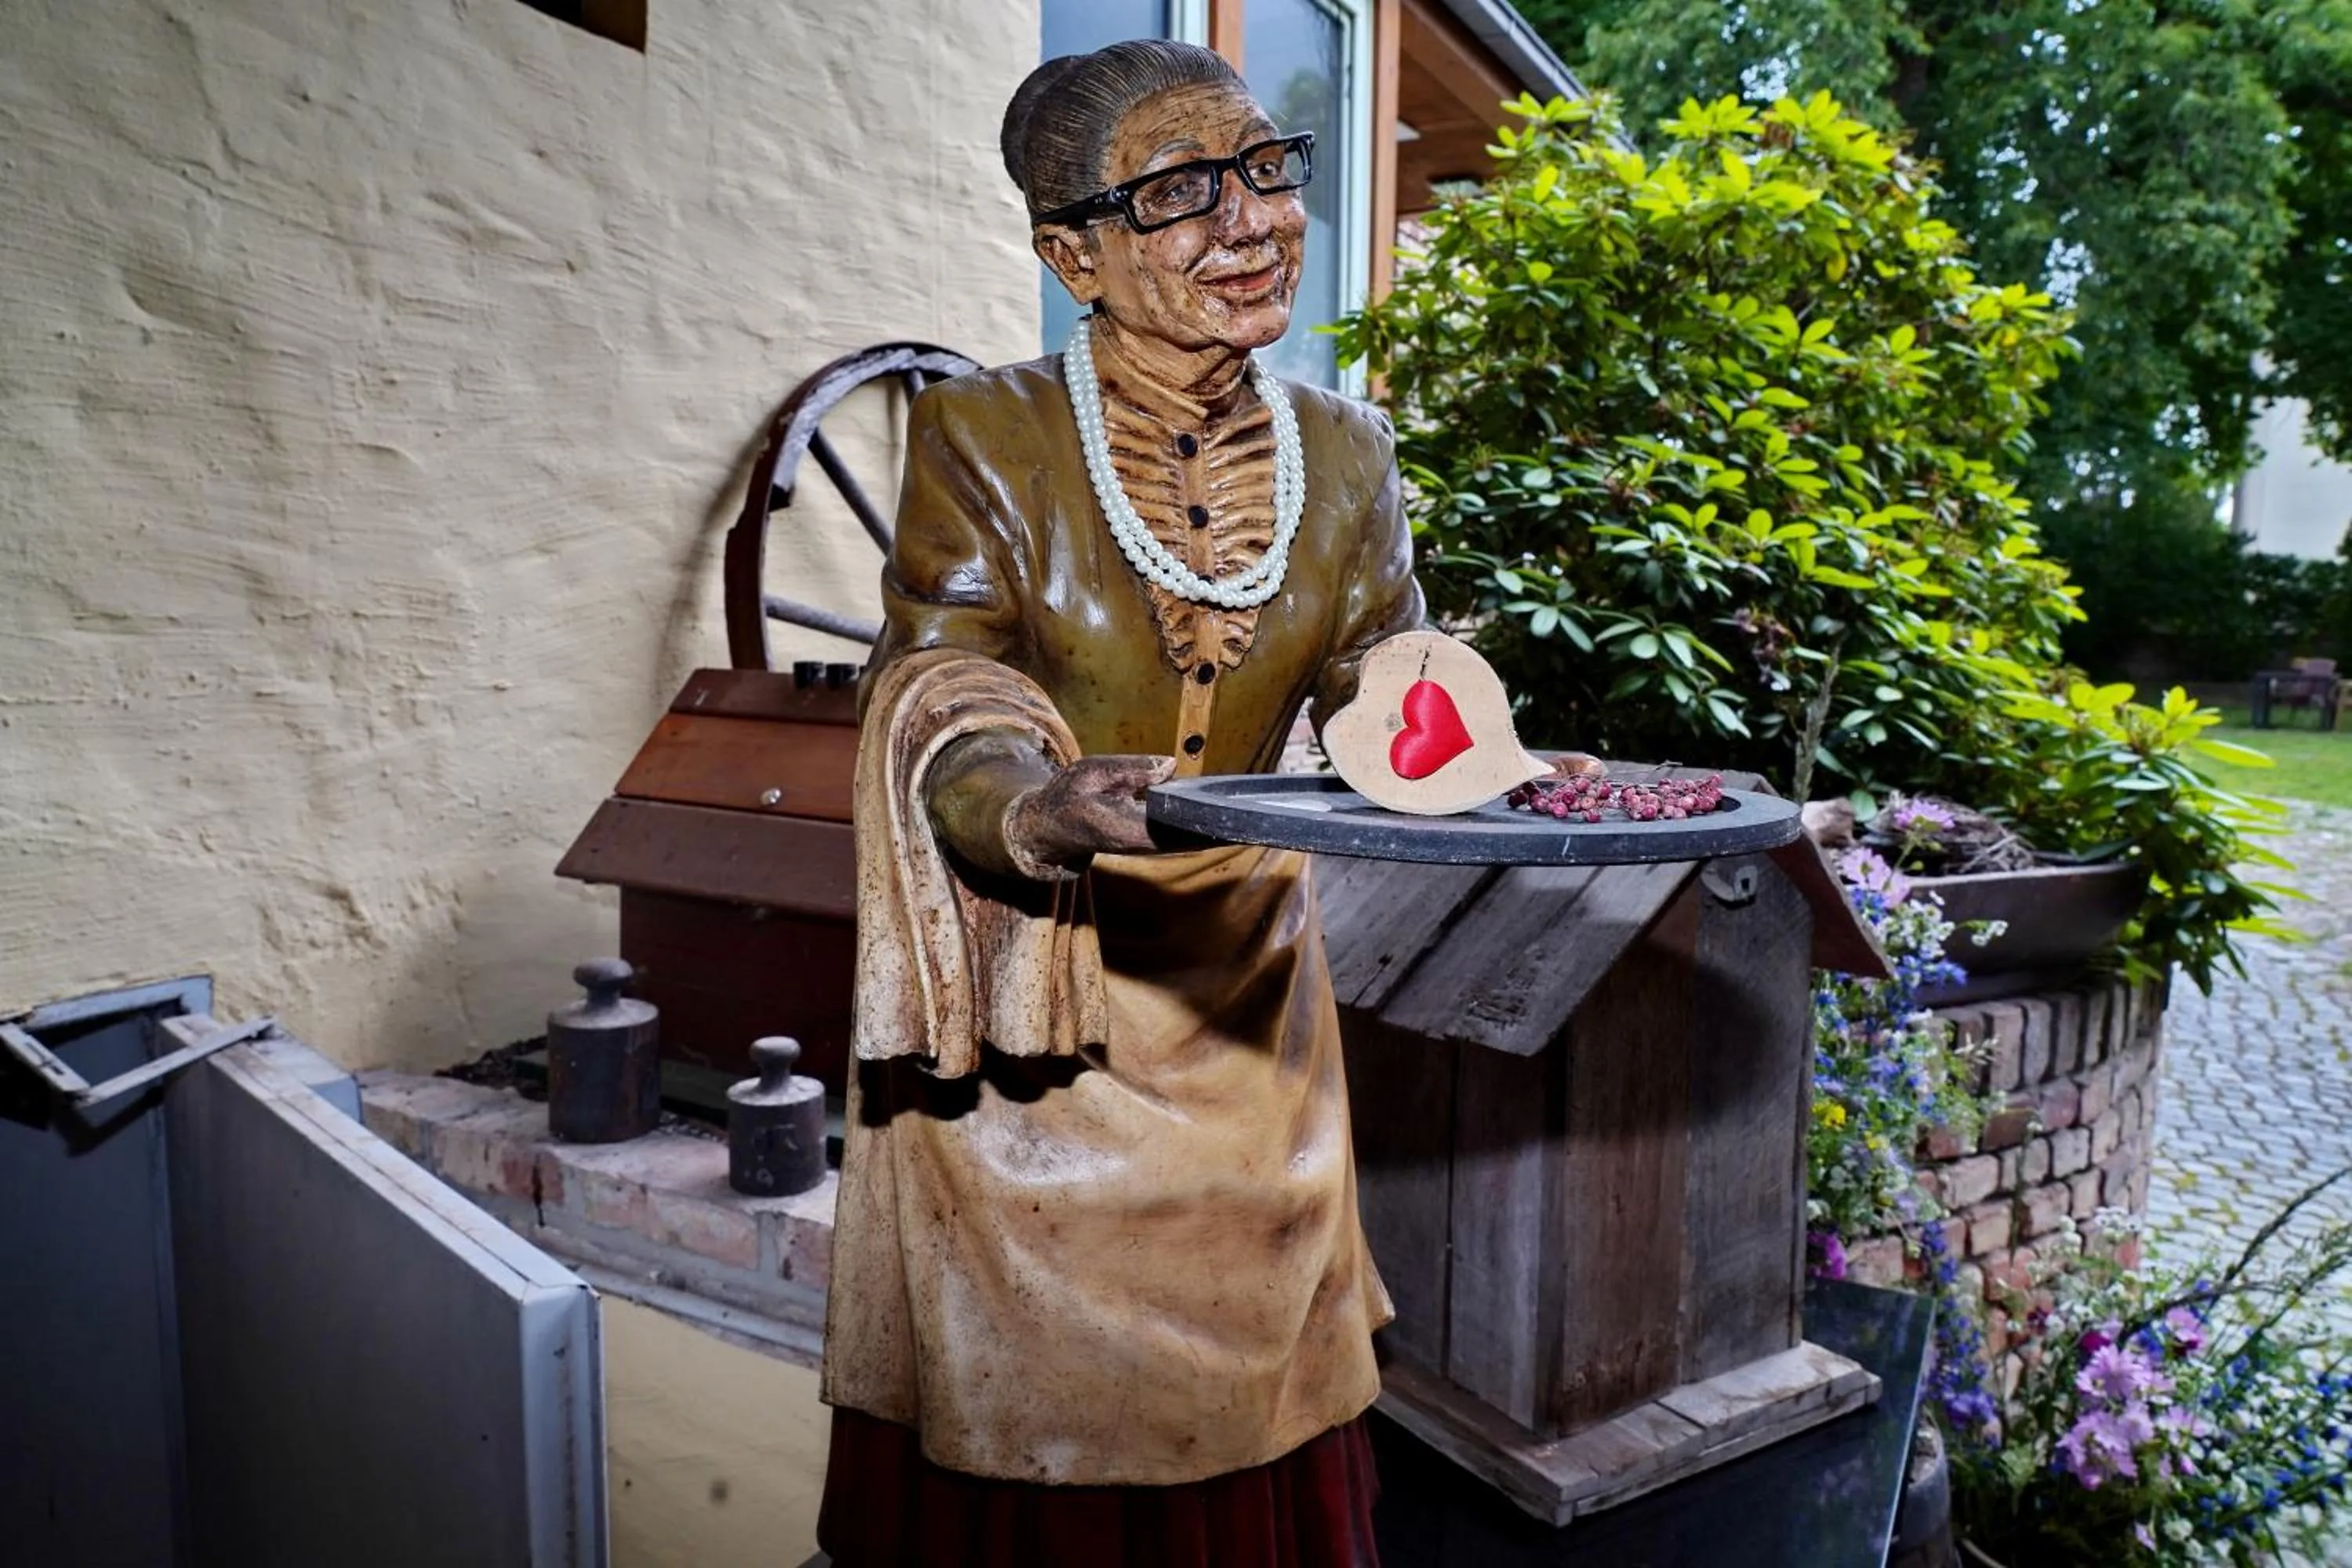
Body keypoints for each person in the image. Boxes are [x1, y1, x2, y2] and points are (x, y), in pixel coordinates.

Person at [818, 38, 1422, 1568]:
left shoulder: (1348, 459)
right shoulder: (986, 440)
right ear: (1069, 252)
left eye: (1268, 169)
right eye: (1179, 191)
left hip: (1254, 1027)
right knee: (1035, 1452)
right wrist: (1032, 809)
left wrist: (1483, 745)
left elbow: (1390, 687)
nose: (1253, 221)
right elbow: (937, 692)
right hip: (1041, 1041)